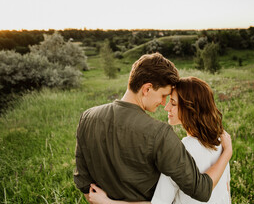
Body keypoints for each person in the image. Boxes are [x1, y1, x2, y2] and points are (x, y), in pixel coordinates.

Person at [74, 53, 232, 203]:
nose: (164, 103)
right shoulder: (160, 134)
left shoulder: (87, 117)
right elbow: (202, 190)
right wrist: (227, 153)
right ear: (147, 89)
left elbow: (84, 184)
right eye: (164, 95)